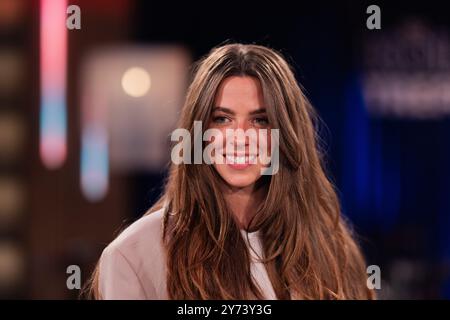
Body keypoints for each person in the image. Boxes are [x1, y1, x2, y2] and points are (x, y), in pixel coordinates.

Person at [87, 43, 375, 300]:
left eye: (260, 120)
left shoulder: (334, 250)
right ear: (198, 133)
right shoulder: (134, 254)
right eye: (222, 119)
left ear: (286, 134)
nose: (240, 136)